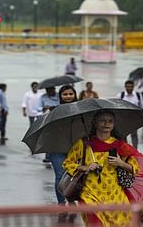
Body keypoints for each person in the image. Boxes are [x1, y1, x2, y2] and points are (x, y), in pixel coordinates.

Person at [62, 110, 143, 226]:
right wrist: (85, 167)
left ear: (114, 124)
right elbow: (67, 163)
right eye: (102, 121)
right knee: (95, 223)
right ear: (95, 122)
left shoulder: (119, 145)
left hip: (115, 193)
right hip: (89, 193)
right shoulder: (84, 143)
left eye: (110, 121)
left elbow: (135, 169)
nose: (106, 124)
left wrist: (120, 163)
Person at [49, 85, 78, 223]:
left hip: (76, 148)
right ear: (60, 96)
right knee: (60, 177)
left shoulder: (81, 110)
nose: (68, 96)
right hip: (57, 148)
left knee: (75, 176)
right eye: (65, 94)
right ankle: (61, 203)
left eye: (70, 93)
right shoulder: (54, 111)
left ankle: (71, 201)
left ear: (74, 94)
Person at [118, 80, 143, 148]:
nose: (129, 88)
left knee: (134, 135)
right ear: (125, 87)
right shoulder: (121, 95)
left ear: (133, 87)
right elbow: (116, 106)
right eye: (128, 86)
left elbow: (142, 106)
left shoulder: (138, 95)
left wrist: (142, 117)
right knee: (123, 135)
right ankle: (125, 149)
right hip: (123, 119)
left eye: (131, 86)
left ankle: (135, 150)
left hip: (133, 119)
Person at [39, 86, 60, 163]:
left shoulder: (59, 95)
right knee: (47, 138)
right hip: (47, 119)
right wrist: (44, 108)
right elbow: (38, 108)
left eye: (50, 89)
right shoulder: (43, 97)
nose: (49, 91)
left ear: (54, 89)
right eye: (47, 90)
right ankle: (48, 156)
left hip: (58, 118)